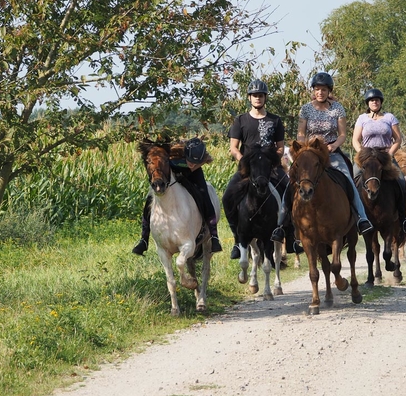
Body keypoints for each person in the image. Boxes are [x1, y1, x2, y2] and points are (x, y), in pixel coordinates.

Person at [277, 72, 373, 236]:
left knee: (348, 179)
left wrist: (333, 146)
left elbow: (342, 135)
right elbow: (301, 133)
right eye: (317, 89)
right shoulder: (306, 108)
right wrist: (303, 148)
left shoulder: (337, 108)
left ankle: (361, 219)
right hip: (309, 153)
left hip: (331, 152)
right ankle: (281, 224)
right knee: (291, 181)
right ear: (313, 91)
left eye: (323, 89)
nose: (320, 92)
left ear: (329, 91)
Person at [223, 79, 297, 259]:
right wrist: (244, 160)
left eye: (261, 95)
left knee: (291, 192)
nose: (258, 98)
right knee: (227, 197)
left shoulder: (275, 120)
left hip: (271, 167)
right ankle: (236, 239)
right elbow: (233, 147)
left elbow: (280, 147)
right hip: (248, 169)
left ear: (265, 98)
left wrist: (273, 160)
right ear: (250, 98)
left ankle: (291, 237)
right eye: (255, 95)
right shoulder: (240, 120)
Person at [132, 137, 223, 255]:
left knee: (204, 196)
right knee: (150, 198)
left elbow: (194, 166)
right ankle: (144, 239)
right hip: (174, 174)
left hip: (194, 174)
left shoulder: (200, 160)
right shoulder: (174, 159)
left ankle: (214, 237)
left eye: (195, 162)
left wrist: (193, 167)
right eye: (189, 161)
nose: (191, 164)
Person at [352, 88, 406, 234]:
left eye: (377, 100)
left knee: (400, 181)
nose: (374, 102)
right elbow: (356, 140)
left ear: (381, 102)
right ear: (368, 103)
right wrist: (362, 154)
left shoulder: (389, 117)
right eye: (371, 100)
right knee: (352, 178)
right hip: (367, 156)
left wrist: (390, 153)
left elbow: (398, 139)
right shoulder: (362, 118)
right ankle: (355, 218)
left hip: (385, 155)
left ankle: (404, 219)